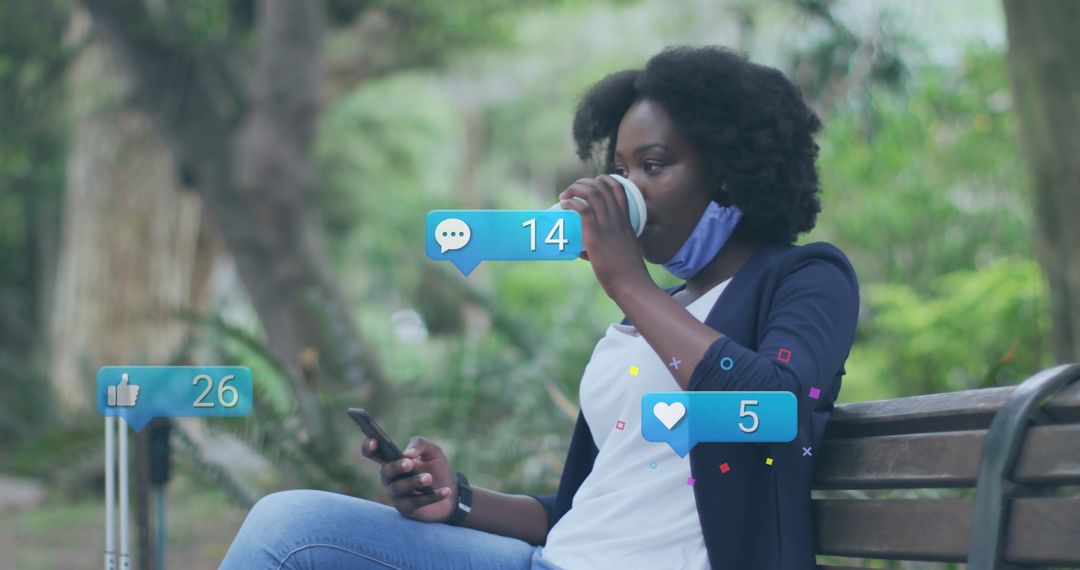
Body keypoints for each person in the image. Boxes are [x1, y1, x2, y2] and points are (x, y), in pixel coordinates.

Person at [220, 45, 859, 570]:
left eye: (654, 166)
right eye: (622, 170)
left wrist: (627, 281)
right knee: (290, 523)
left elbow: (776, 409)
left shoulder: (805, 277)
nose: (629, 189)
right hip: (555, 559)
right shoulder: (655, 311)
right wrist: (458, 499)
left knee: (288, 533)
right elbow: (584, 507)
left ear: (728, 170)